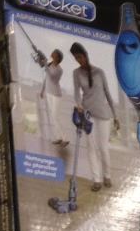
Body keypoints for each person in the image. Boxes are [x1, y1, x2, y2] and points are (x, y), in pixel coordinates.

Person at [70, 42, 119, 191]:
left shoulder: (99, 72)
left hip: (103, 114)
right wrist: (78, 105)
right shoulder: (76, 73)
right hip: (87, 114)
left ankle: (107, 176)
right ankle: (96, 179)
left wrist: (115, 116)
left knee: (103, 148)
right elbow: (76, 93)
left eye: (80, 57)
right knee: (91, 147)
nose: (79, 60)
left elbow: (108, 94)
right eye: (76, 58)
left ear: (85, 55)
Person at [38, 49, 68, 148]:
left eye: (54, 53)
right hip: (48, 93)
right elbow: (46, 78)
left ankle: (65, 138)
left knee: (55, 117)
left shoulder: (59, 70)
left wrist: (45, 65)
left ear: (58, 57)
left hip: (56, 95)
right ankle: (58, 138)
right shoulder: (50, 65)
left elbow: (52, 78)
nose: (52, 53)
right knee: (53, 117)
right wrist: (42, 90)